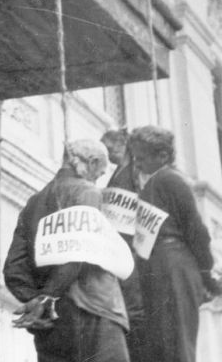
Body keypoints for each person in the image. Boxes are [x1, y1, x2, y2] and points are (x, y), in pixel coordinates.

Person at [3, 139, 130, 362]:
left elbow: (13, 269)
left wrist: (35, 301)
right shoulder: (88, 192)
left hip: (51, 322)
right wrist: (47, 297)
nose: (97, 179)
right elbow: (78, 250)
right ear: (91, 162)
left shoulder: (34, 202)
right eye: (99, 174)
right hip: (93, 309)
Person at [129, 125, 215, 362]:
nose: (137, 164)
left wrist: (206, 272)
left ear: (163, 155)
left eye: (141, 158)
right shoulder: (155, 183)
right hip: (161, 268)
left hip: (172, 267)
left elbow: (196, 230)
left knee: (176, 342)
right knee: (170, 343)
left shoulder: (170, 180)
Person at [101, 129, 146, 362]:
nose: (109, 156)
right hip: (118, 247)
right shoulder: (118, 173)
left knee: (133, 305)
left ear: (123, 145)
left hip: (131, 247)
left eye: (111, 150)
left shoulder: (135, 171)